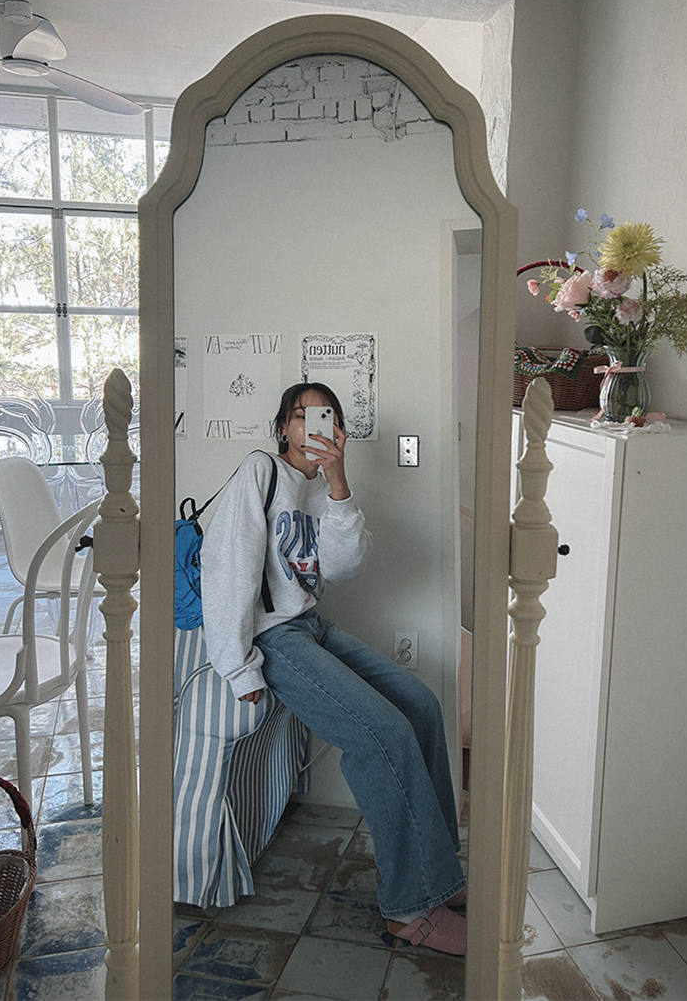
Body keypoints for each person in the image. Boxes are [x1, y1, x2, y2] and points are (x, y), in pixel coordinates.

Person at [200, 381, 466, 954]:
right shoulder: (261, 471)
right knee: (383, 733)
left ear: (339, 431)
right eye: (302, 415)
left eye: (326, 416)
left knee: (422, 706)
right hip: (273, 638)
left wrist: (340, 484)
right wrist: (238, 667)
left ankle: (438, 874)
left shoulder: (324, 489)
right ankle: (411, 909)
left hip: (311, 625)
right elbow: (226, 564)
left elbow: (343, 568)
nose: (313, 425)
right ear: (283, 427)